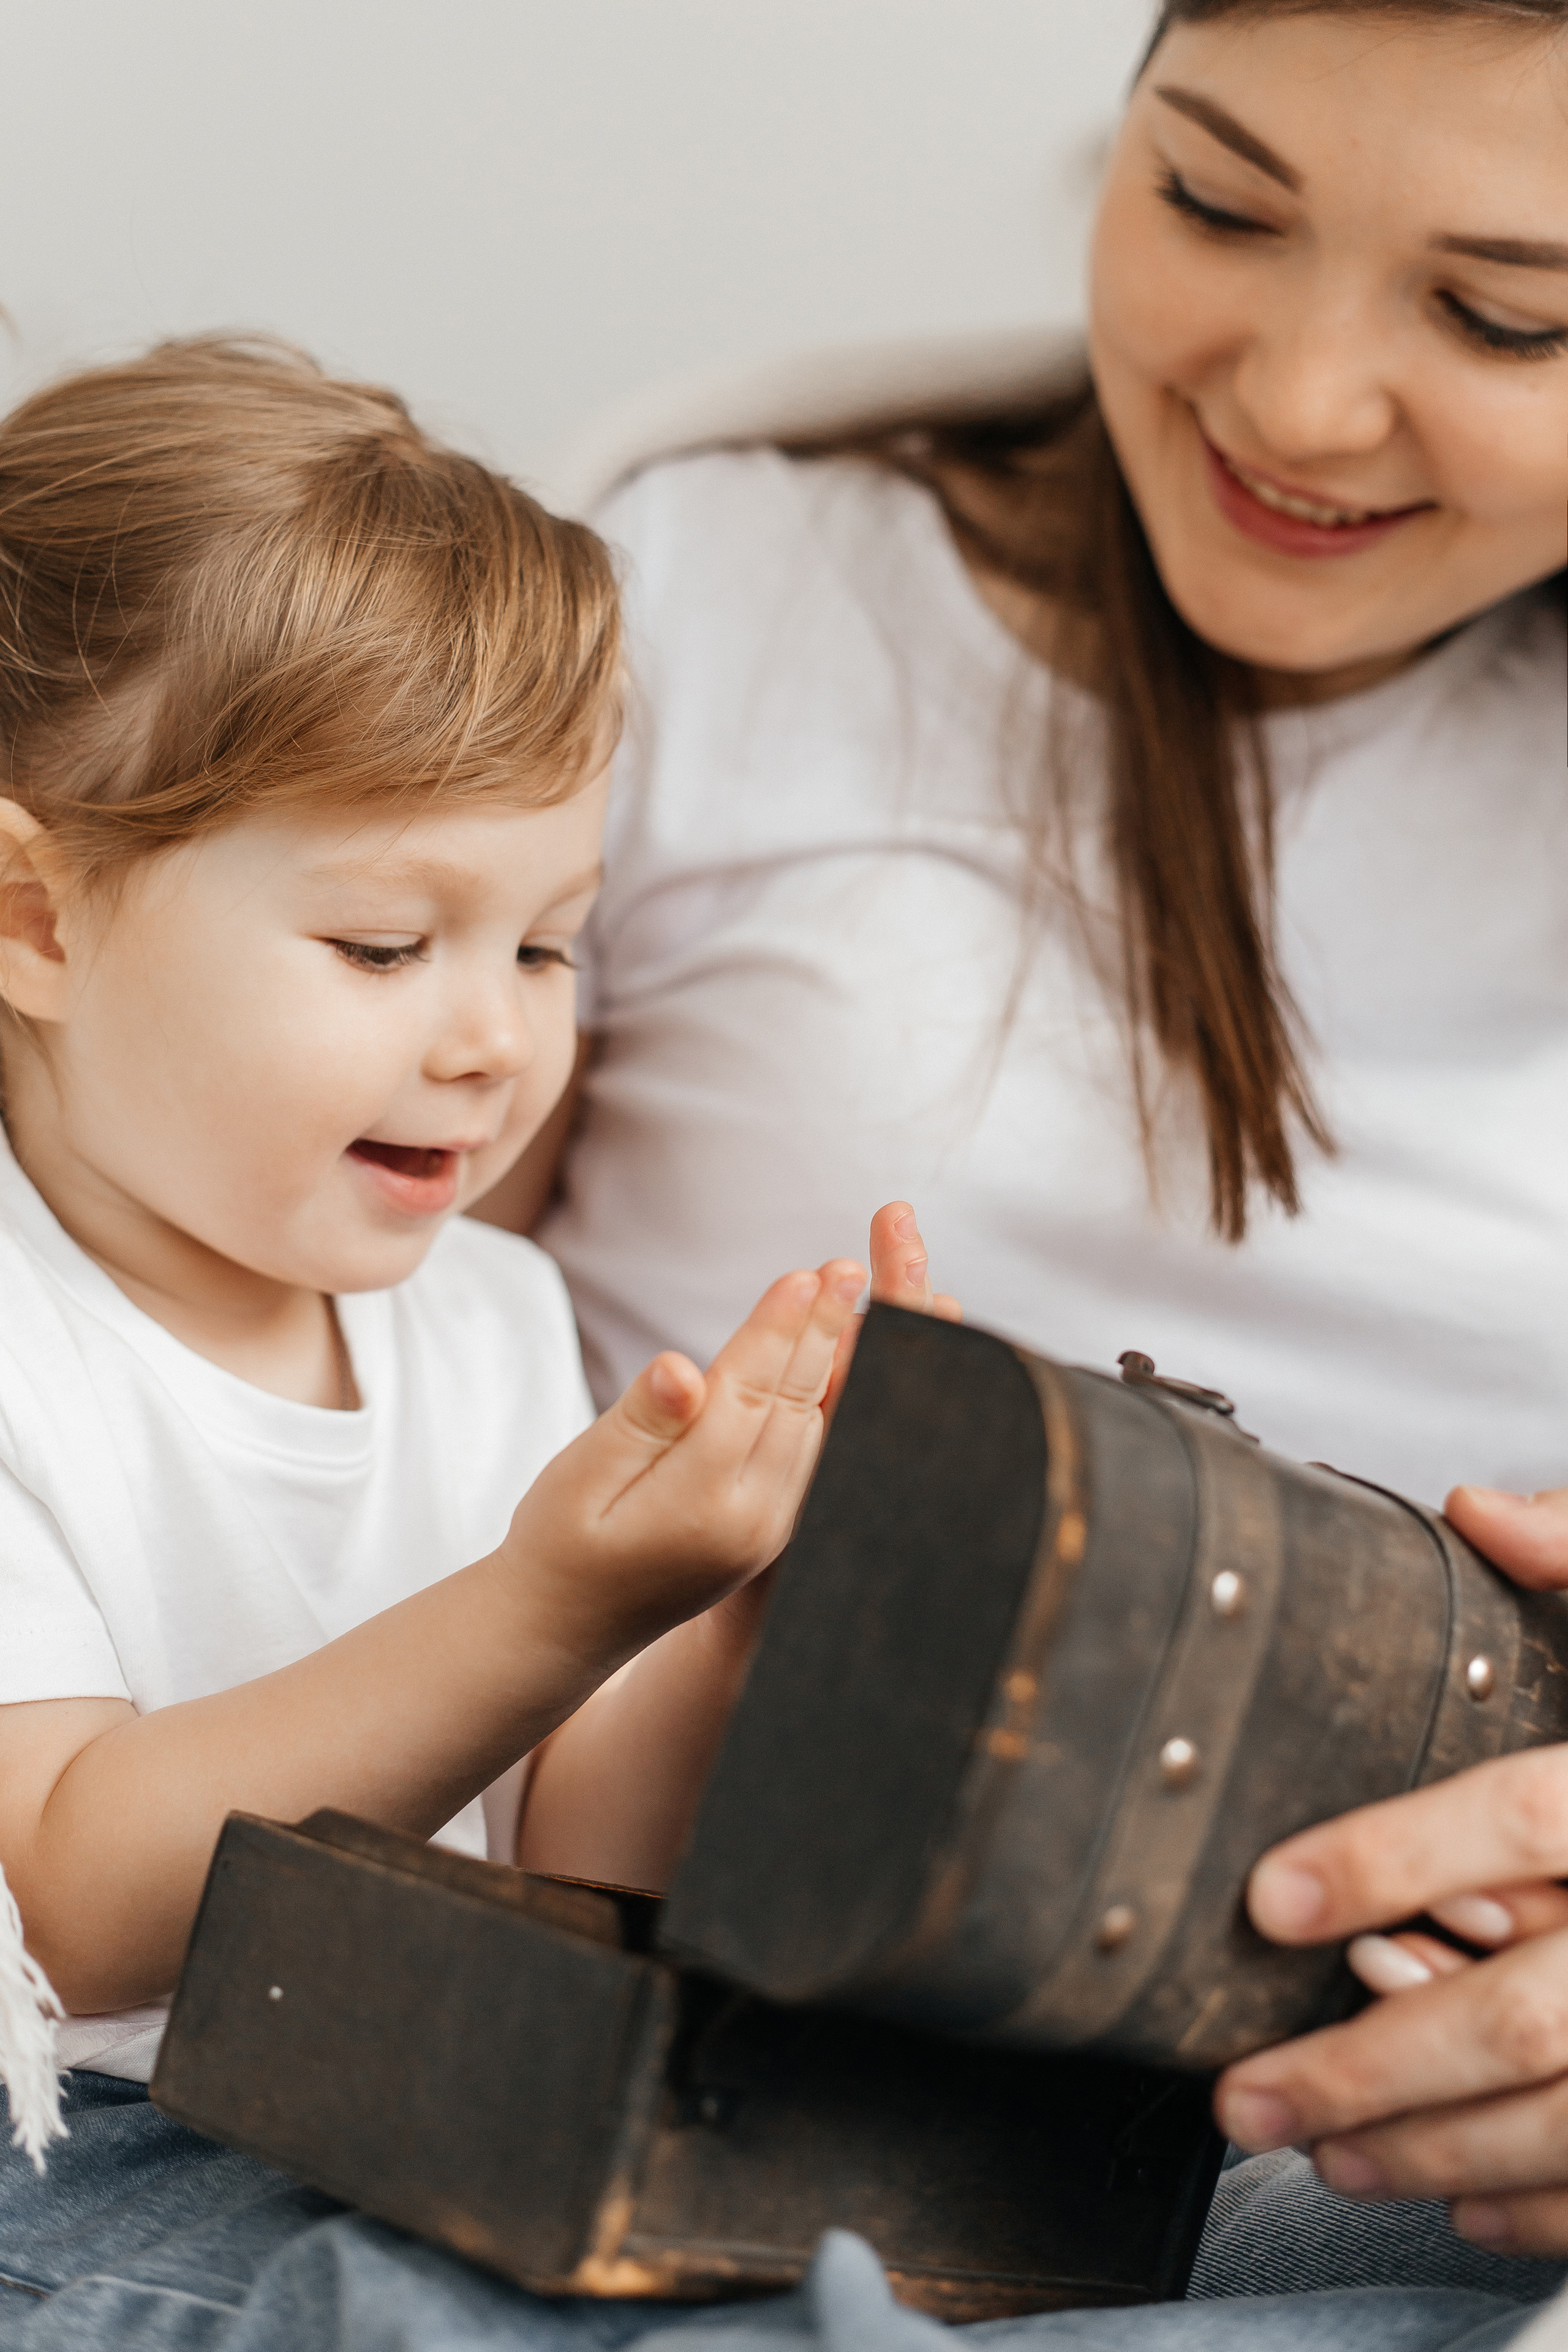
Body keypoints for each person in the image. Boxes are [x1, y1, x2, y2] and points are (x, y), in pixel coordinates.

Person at [496, 0, 1568, 2337]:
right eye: (1213, 199)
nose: (1300, 401)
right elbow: (280, 1360)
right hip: (664, 2006)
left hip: (1381, 2126)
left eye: (1509, 319)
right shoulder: (717, 598)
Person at [0, 335, 946, 2343]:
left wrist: (724, 1618)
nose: (494, 1037)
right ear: (38, 920)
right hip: (68, 2154)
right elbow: (68, 1904)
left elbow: (566, 1878)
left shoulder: (488, 1314)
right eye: (383, 946)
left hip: (393, 2118)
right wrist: (546, 1600)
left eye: (545, 944)